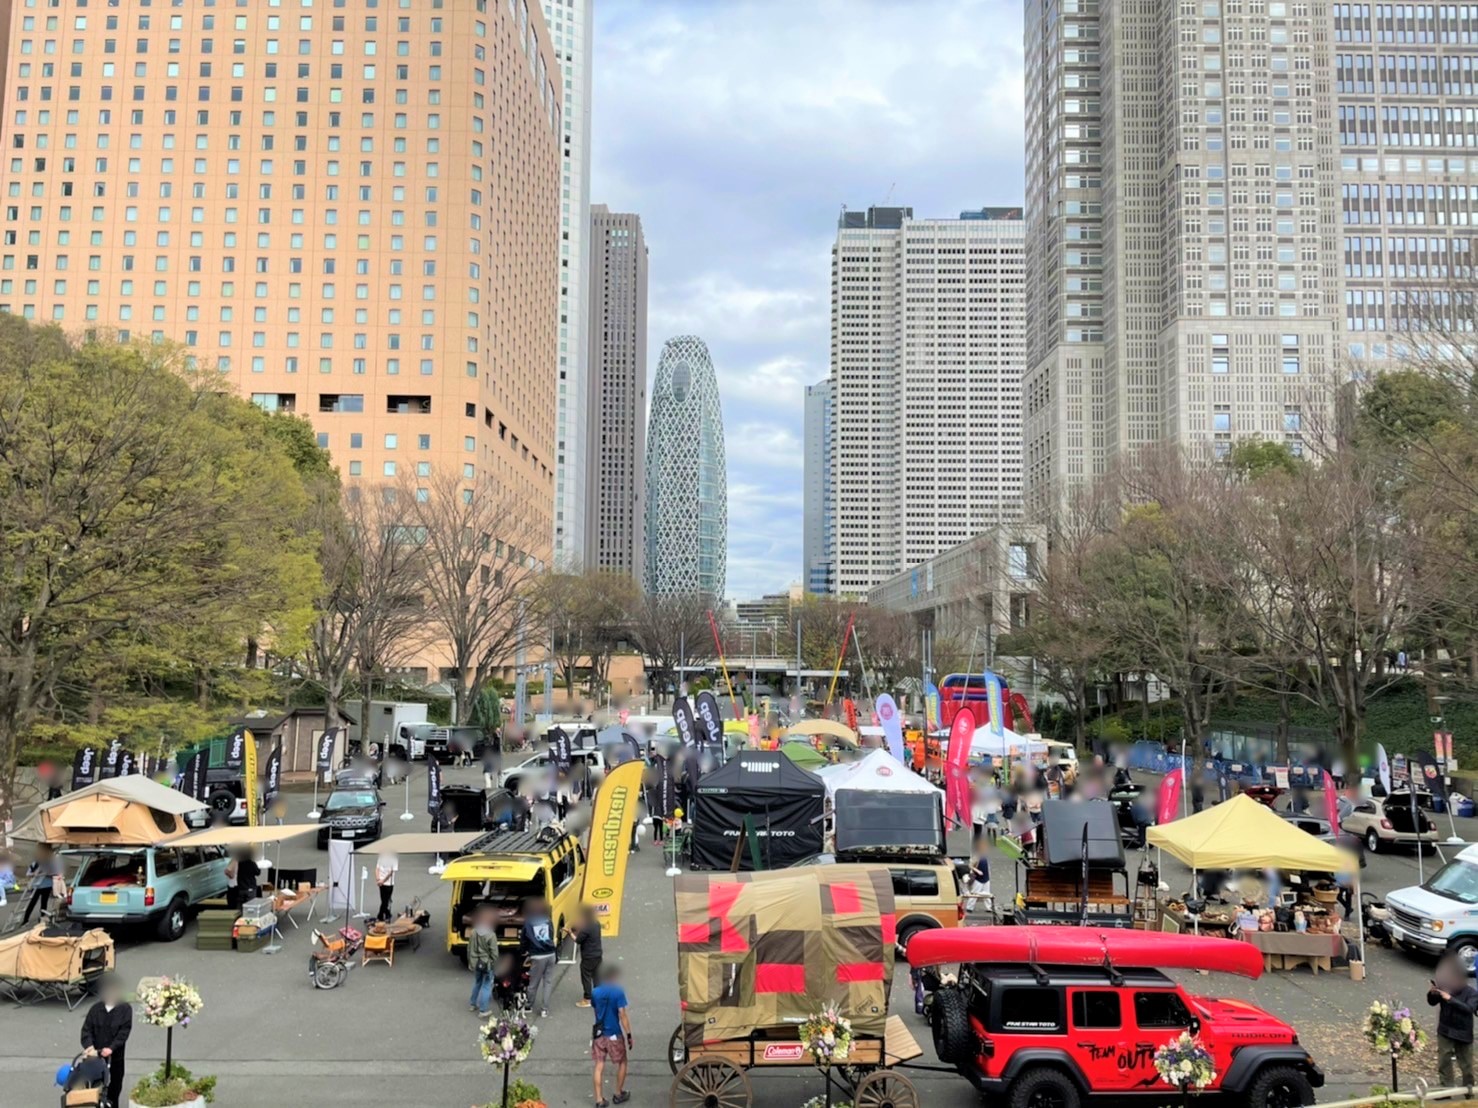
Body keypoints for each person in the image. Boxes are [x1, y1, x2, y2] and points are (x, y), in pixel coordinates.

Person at [80, 971, 132, 1108]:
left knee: (115, 1086)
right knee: (95, 1087)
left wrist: (111, 1048)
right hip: (95, 1057)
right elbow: (86, 1030)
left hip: (115, 1058)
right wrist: (89, 1046)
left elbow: (123, 1033)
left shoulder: (125, 1009)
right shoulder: (95, 1010)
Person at [1430, 952, 1478, 1087]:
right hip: (1445, 1029)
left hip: (1463, 1032)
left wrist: (1450, 999)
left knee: (1466, 1064)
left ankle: (1468, 1088)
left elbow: (1469, 1009)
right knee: (1444, 1060)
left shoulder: (1472, 993)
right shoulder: (1445, 988)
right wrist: (1433, 993)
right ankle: (1446, 1087)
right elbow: (1432, 1002)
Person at [590, 964, 633, 1107]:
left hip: (599, 1034)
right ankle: (618, 1093)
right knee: (622, 1062)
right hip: (614, 1033)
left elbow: (596, 1011)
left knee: (599, 1065)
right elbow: (622, 1015)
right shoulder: (618, 992)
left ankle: (599, 1099)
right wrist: (629, 1034)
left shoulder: (595, 992)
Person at [520, 897, 558, 1018]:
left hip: (537, 956)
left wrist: (523, 952)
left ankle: (529, 1006)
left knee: (533, 982)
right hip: (551, 953)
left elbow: (524, 940)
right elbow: (551, 935)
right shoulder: (548, 920)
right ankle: (544, 1009)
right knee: (547, 982)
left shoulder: (528, 922)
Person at [570, 906, 603, 1008]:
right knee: (596, 976)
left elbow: (578, 940)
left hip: (588, 957)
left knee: (586, 977)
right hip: (598, 955)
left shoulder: (585, 929)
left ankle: (587, 999)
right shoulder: (596, 924)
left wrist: (570, 932)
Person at [467, 907, 498, 1017]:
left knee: (477, 982)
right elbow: (494, 953)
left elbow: (470, 948)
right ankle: (483, 1010)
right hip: (486, 964)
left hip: (476, 963)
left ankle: (473, 1004)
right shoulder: (491, 935)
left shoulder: (474, 932)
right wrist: (494, 963)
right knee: (486, 986)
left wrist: (471, 962)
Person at [21, 843, 60, 925]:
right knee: (32, 903)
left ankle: (42, 919)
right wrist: (34, 874)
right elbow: (28, 873)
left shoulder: (51, 862)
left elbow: (56, 872)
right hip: (36, 886)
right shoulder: (35, 863)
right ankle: (25, 920)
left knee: (44, 903)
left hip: (46, 885)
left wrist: (46, 873)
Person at [965, 841, 992, 914]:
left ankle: (989, 907)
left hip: (986, 878)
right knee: (975, 893)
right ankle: (969, 907)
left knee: (987, 894)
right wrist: (977, 870)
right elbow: (970, 865)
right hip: (978, 879)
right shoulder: (976, 856)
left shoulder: (985, 856)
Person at [374, 853, 398, 923]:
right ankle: (384, 915)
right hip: (384, 883)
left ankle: (383, 915)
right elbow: (378, 869)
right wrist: (379, 880)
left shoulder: (392, 859)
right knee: (384, 901)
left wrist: (381, 880)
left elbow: (390, 872)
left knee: (384, 900)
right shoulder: (384, 857)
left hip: (386, 883)